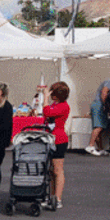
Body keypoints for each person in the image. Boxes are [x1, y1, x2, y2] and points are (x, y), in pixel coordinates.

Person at [42, 81, 70, 210]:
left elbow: (47, 112)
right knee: (51, 170)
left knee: (58, 169)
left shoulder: (63, 106)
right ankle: (51, 196)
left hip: (58, 140)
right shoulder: (56, 104)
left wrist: (45, 99)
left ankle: (58, 198)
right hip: (50, 138)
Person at [84, 72, 110, 155]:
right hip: (99, 105)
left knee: (100, 128)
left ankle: (100, 148)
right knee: (99, 127)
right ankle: (90, 146)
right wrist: (106, 105)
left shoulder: (108, 82)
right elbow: (104, 92)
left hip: (97, 105)